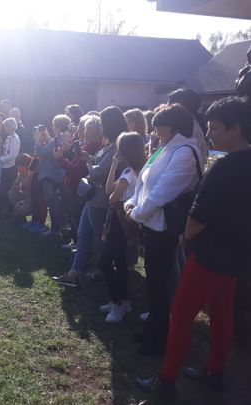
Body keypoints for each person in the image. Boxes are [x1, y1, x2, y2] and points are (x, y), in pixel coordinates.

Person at [136, 96, 251, 400]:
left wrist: (186, 237)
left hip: (209, 256)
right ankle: (215, 371)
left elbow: (197, 218)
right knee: (222, 313)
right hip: (239, 256)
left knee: (181, 314)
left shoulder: (223, 168)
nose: (208, 134)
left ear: (236, 128)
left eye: (214, 127)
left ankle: (166, 379)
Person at [124, 103, 202, 356]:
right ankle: (153, 329)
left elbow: (162, 192)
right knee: (154, 283)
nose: (155, 131)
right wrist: (131, 202)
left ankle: (159, 338)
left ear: (173, 127)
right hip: (151, 225)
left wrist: (136, 213)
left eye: (159, 126)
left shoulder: (185, 152)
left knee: (160, 285)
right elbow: (144, 180)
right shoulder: (165, 148)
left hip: (164, 229)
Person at [53, 106, 127, 288]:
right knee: (84, 233)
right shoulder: (109, 145)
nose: (100, 126)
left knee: (102, 239)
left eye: (103, 122)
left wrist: (87, 162)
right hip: (93, 197)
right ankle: (76, 273)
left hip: (100, 199)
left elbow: (98, 173)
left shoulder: (115, 146)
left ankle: (107, 272)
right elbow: (99, 164)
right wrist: (91, 159)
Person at [98, 132, 145, 323]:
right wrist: (115, 165)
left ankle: (117, 304)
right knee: (120, 263)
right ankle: (123, 302)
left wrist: (114, 165)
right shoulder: (141, 169)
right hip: (129, 220)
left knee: (106, 262)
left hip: (119, 221)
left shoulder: (127, 174)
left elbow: (111, 196)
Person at [34, 116, 67, 237]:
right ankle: (61, 227)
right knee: (56, 203)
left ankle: (55, 229)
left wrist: (37, 139)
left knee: (52, 203)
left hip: (50, 175)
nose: (52, 128)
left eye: (53, 126)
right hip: (57, 174)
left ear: (58, 127)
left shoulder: (58, 138)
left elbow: (41, 151)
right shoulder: (61, 138)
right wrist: (46, 138)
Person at [168, 89, 209, 164]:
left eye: (169, 104)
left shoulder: (185, 128)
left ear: (179, 104)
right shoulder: (196, 122)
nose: (166, 108)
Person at [0, 117, 21, 207]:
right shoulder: (8, 137)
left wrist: (0, 159)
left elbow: (12, 155)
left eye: (6, 126)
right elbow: (5, 150)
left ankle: (11, 208)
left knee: (10, 189)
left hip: (11, 167)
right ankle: (6, 207)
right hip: (4, 167)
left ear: (12, 127)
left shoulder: (15, 138)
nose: (4, 128)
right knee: (4, 188)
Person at [8, 153, 33, 222]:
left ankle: (19, 215)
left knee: (22, 208)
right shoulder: (20, 174)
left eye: (19, 165)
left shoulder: (32, 176)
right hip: (26, 198)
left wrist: (21, 202)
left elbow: (33, 196)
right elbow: (14, 185)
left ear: (26, 166)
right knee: (11, 193)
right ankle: (19, 216)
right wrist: (19, 186)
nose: (17, 167)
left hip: (33, 202)